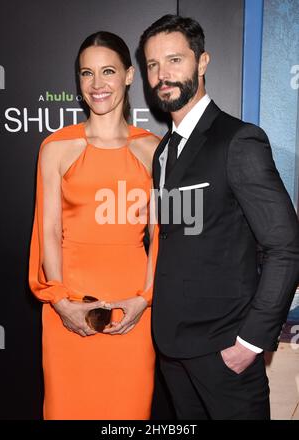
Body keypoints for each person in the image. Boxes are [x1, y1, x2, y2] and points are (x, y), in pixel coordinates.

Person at [139, 14, 299, 420]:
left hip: (224, 351)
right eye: (153, 65)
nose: (162, 75)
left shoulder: (238, 140)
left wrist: (250, 342)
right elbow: (176, 242)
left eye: (174, 60)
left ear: (203, 62)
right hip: (173, 353)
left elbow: (285, 247)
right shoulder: (163, 151)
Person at [29, 31, 159, 420]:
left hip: (134, 307)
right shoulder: (55, 148)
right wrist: (61, 300)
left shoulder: (156, 149)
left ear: (130, 75)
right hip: (68, 305)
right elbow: (47, 231)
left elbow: (165, 234)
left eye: (108, 71)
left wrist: (145, 298)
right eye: (87, 74)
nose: (97, 84)